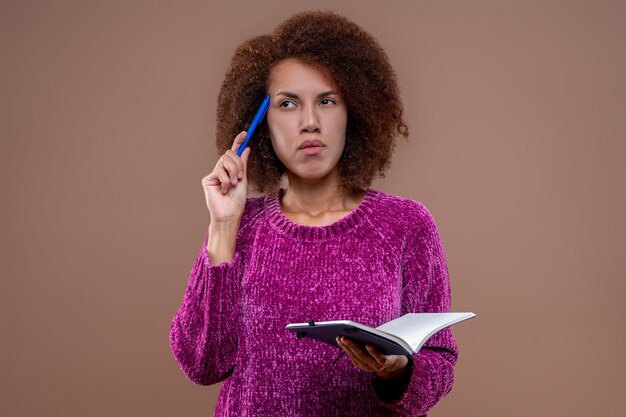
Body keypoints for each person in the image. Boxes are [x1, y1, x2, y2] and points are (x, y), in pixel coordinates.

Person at [169, 10, 458, 417]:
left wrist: (398, 371)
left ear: (353, 110)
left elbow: (440, 364)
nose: (309, 122)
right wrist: (222, 225)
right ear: (262, 124)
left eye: (326, 101)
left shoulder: (407, 225)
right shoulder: (241, 225)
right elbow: (201, 363)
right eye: (288, 104)